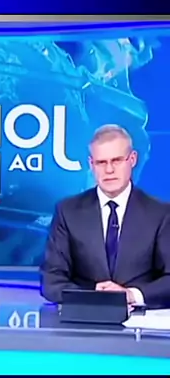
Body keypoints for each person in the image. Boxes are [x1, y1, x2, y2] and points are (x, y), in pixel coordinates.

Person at [40, 124, 170, 308]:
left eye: (116, 161)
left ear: (132, 159)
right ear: (91, 164)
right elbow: (51, 281)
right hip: (85, 318)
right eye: (101, 162)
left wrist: (131, 295)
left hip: (142, 320)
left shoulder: (161, 213)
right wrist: (94, 296)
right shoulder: (68, 212)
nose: (109, 170)